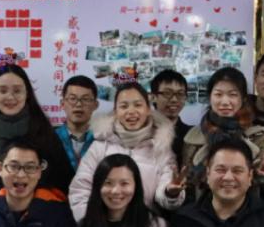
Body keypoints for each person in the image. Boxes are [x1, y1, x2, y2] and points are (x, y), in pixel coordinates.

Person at [0, 65, 74, 214]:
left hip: (37, 221)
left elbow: (64, 182)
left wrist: (36, 210)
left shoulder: (46, 135)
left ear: (27, 94)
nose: (10, 97)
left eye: (17, 91)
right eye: (3, 91)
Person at [68, 80, 185, 218]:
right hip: (103, 224)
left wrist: (170, 193)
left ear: (148, 110)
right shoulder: (100, 146)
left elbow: (166, 196)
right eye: (124, 106)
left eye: (138, 105)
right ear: (115, 112)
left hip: (144, 225)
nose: (131, 111)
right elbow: (80, 190)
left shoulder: (161, 148)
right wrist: (93, 223)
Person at [179, 66, 264, 192]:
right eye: (218, 94)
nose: (225, 101)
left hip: (247, 203)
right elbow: (186, 182)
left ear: (243, 99)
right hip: (204, 203)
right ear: (210, 97)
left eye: (233, 95)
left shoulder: (260, 135)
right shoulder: (192, 137)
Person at [55, 75, 100, 170]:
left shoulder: (102, 139)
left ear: (95, 105)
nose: (79, 104)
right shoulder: (50, 139)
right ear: (62, 104)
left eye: (85, 99)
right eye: (73, 99)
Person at [149, 69, 191, 166]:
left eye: (180, 94)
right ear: (153, 97)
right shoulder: (142, 132)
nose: (174, 99)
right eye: (167, 93)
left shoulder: (191, 135)